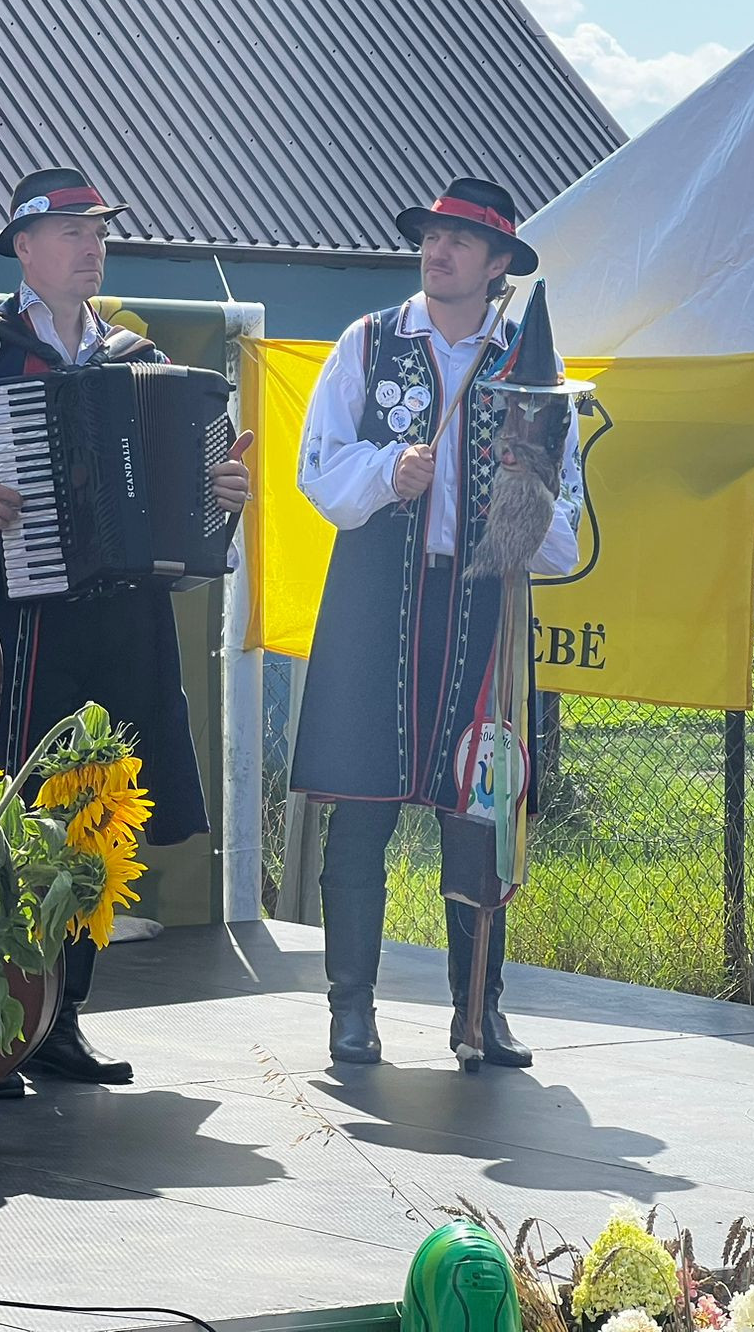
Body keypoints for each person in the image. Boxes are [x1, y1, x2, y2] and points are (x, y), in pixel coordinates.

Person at [0, 167, 252, 1094]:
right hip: (12, 612)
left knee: (93, 817)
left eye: (99, 232)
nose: (92, 247)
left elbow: (193, 512)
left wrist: (220, 498)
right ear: (24, 247)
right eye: (73, 232)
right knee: (3, 812)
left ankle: (61, 1018)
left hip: (123, 619)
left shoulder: (136, 353)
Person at [287, 177, 582, 1069]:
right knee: (361, 811)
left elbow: (565, 525)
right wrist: (388, 473)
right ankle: (350, 1011)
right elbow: (318, 468)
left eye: (459, 241)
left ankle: (478, 1011)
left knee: (478, 809)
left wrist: (521, 504)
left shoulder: (529, 367)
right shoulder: (370, 341)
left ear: (498, 266)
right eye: (431, 237)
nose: (437, 251)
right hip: (378, 599)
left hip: (482, 605)